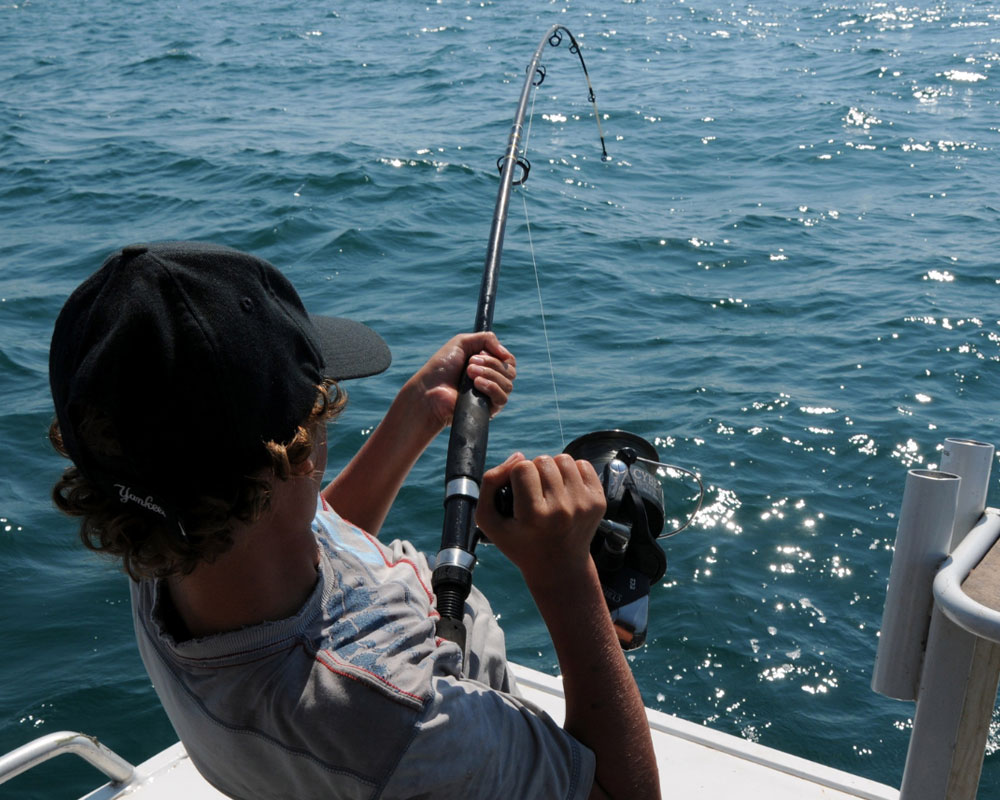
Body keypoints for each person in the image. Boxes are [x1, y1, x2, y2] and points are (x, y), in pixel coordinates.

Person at [49, 241, 659, 800]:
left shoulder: (161, 535)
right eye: (318, 405)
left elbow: (298, 532)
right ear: (291, 459)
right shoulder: (402, 722)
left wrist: (418, 414)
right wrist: (564, 575)